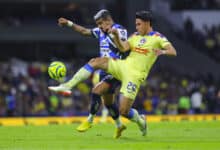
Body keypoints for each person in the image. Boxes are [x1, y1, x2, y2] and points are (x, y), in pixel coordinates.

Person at [49, 10, 177, 136]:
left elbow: (173, 51)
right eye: (136, 24)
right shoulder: (134, 36)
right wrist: (115, 36)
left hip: (135, 75)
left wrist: (163, 52)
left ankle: (140, 120)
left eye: (138, 24)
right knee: (95, 62)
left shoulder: (157, 37)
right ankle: (68, 85)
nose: (136, 27)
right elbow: (123, 47)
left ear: (147, 23)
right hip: (123, 66)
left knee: (123, 110)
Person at [56, 9, 128, 138]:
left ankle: (89, 120)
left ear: (108, 20)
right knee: (108, 103)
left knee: (96, 91)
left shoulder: (119, 30)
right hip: (104, 70)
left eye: (101, 23)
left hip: (117, 68)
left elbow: (124, 47)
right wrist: (69, 23)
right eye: (98, 24)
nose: (99, 26)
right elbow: (84, 31)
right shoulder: (100, 31)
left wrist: (115, 36)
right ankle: (121, 125)